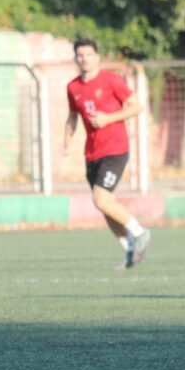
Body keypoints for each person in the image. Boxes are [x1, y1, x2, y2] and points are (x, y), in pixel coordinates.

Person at [63, 38, 152, 270]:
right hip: (92, 154)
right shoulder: (73, 87)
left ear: (97, 57)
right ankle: (130, 249)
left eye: (88, 54)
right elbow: (73, 116)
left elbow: (136, 106)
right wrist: (66, 140)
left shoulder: (112, 80)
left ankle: (140, 233)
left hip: (115, 149)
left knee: (101, 199)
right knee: (104, 205)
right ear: (75, 58)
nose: (84, 59)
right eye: (80, 55)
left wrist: (107, 119)